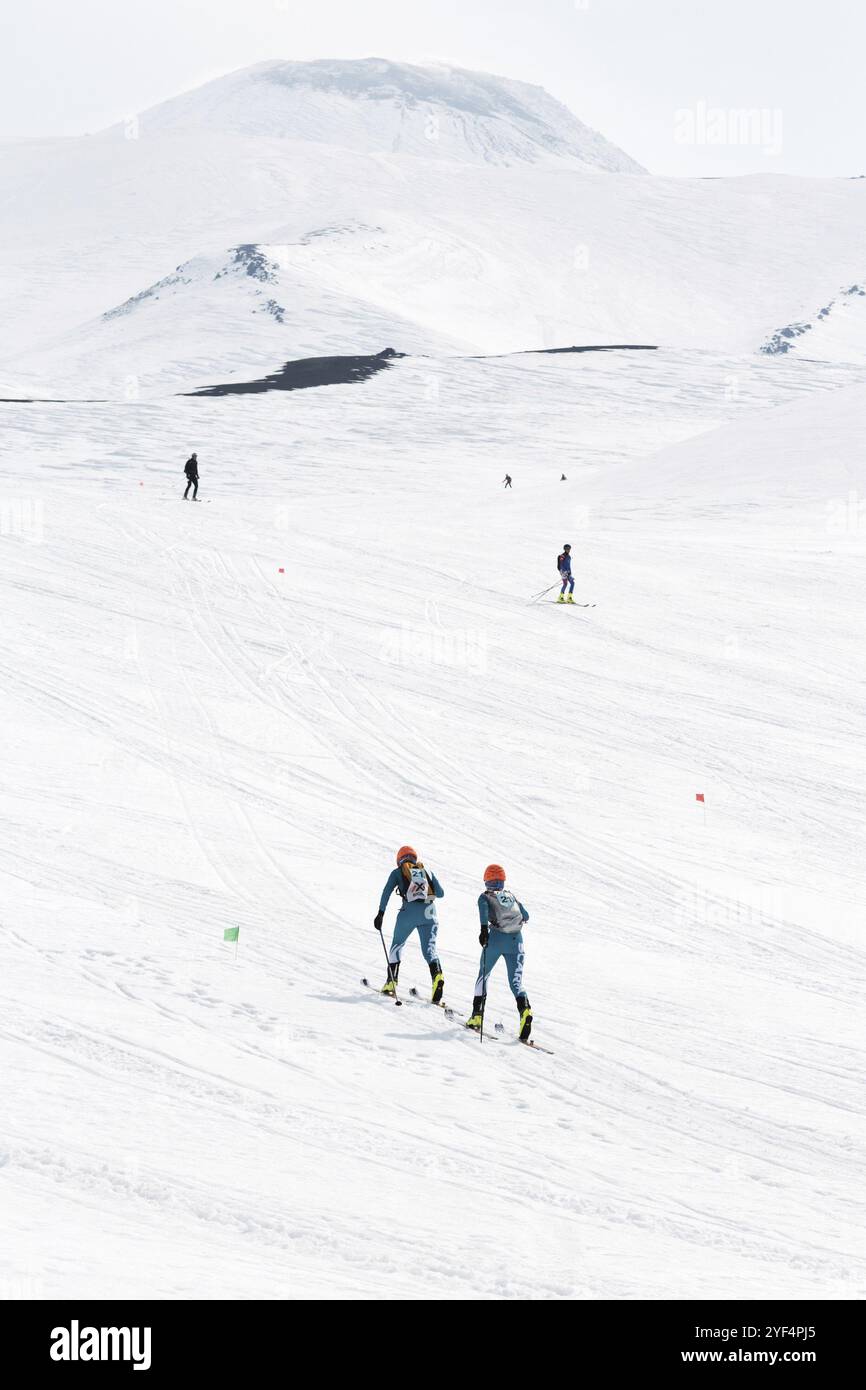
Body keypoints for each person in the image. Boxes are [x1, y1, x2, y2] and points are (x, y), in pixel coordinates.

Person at [466, 864, 532, 1041]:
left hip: (496, 939)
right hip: (516, 941)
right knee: (516, 982)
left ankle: (477, 1016)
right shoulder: (511, 896)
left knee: (483, 975)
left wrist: (483, 930)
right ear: (503, 881)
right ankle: (525, 1010)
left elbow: (483, 912)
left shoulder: (485, 897)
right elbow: (525, 916)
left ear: (486, 880)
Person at [374, 846, 445, 1001]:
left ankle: (391, 982)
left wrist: (381, 913)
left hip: (408, 913)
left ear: (399, 860)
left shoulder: (398, 872)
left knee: (397, 944)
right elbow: (440, 893)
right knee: (430, 950)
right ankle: (437, 977)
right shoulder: (426, 871)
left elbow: (386, 892)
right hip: (430, 913)